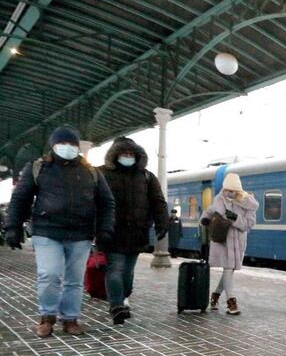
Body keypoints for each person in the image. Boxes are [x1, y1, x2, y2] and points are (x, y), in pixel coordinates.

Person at [3, 126, 115, 337]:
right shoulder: (38, 168)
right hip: (47, 232)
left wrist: (105, 230)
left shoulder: (91, 172)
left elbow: (107, 203)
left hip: (81, 233)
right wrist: (13, 227)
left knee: (74, 280)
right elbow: (20, 199)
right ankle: (47, 317)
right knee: (49, 274)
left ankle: (70, 319)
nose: (68, 147)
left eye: (72, 144)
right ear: (53, 146)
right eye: (63, 143)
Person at [97, 137, 169, 325]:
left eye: (131, 154)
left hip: (136, 233)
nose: (128, 157)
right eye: (124, 153)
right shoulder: (101, 174)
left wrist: (162, 223)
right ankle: (116, 306)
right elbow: (92, 201)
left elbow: (158, 202)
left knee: (127, 273)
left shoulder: (146, 177)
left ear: (137, 156)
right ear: (115, 155)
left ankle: (122, 296)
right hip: (111, 232)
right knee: (115, 269)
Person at [200, 173, 258, 315]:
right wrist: (205, 219)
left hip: (237, 243)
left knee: (229, 270)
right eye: (226, 190)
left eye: (231, 191)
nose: (228, 193)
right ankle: (231, 302)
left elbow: (249, 225)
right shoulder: (219, 200)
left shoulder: (248, 204)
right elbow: (209, 211)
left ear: (238, 191)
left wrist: (235, 218)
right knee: (227, 269)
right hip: (222, 241)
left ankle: (215, 296)